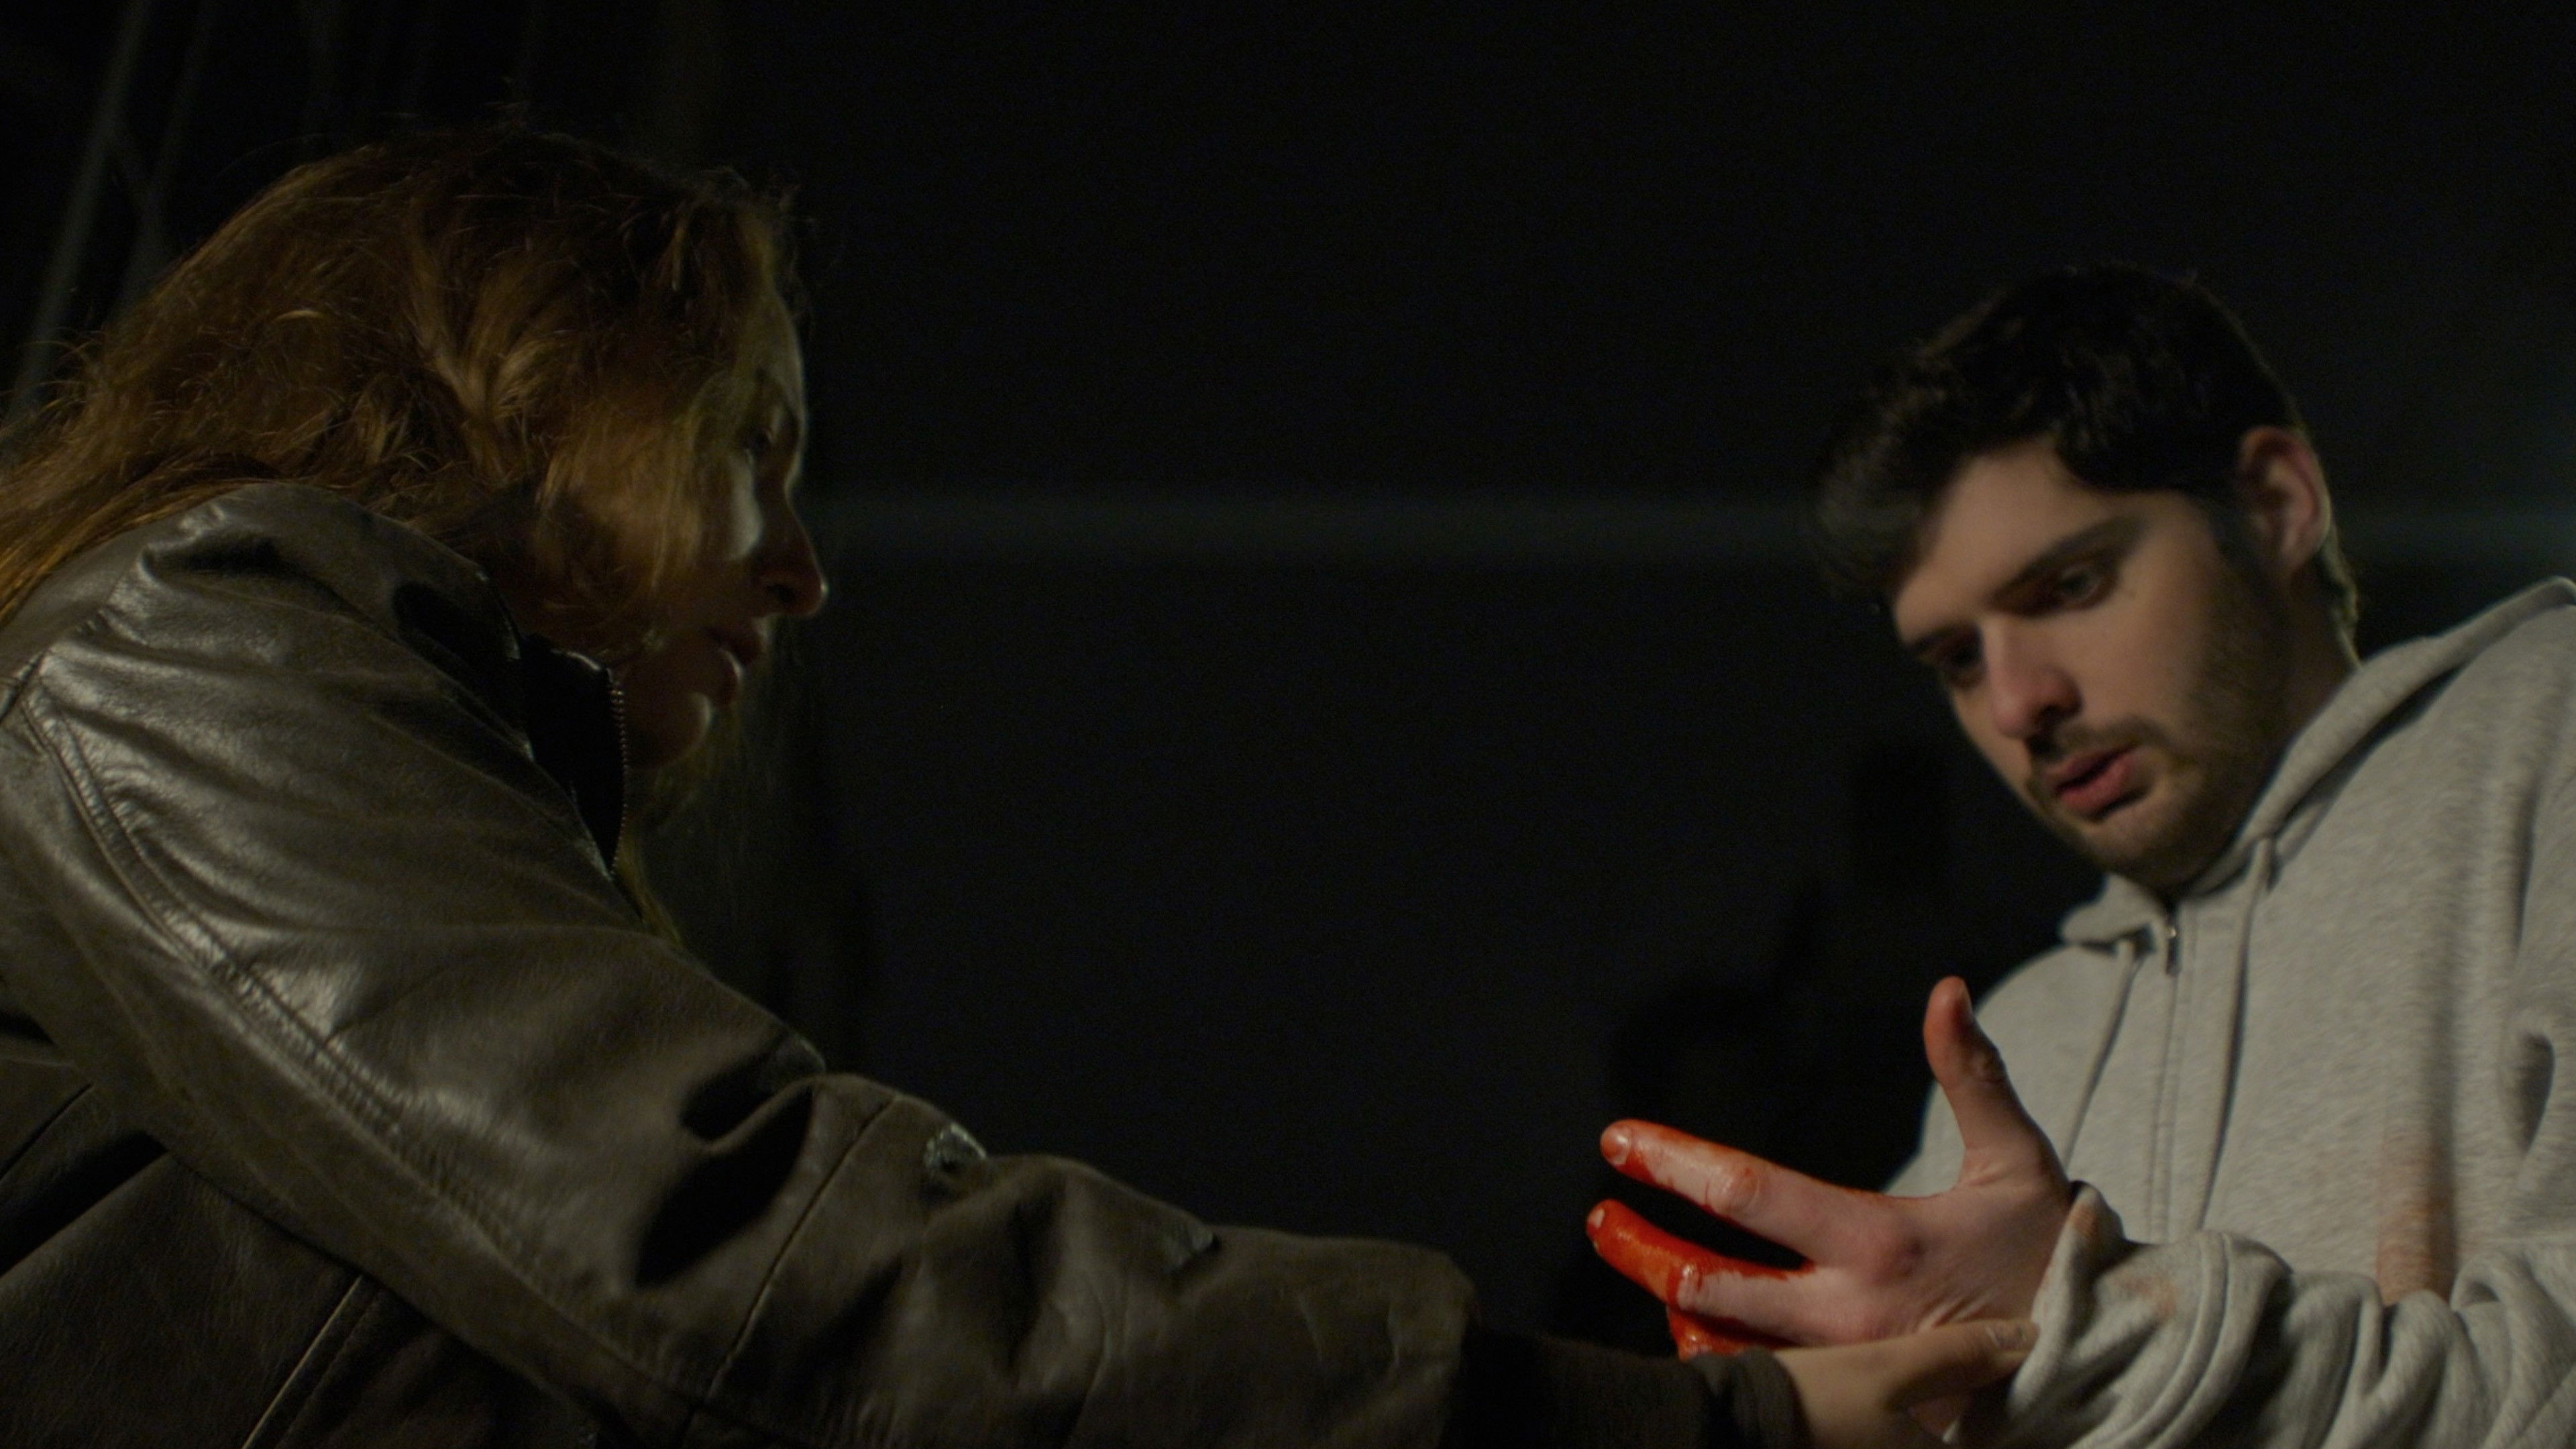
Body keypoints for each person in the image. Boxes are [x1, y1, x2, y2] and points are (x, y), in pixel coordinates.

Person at [0, 125, 2029, 1448]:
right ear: (529, 382)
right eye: (752, 445)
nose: (804, 569)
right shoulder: (183, 646)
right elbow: (744, 1247)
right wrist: (1717, 1431)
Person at [1587, 262, 2576, 1445]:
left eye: (2071, 585)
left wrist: (2090, 1325)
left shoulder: (2547, 741)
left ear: (2274, 504)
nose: (2018, 705)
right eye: (1958, 658)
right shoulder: (2022, 1039)